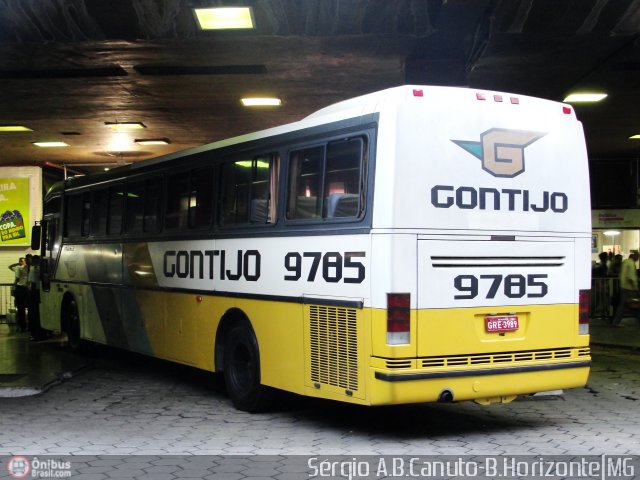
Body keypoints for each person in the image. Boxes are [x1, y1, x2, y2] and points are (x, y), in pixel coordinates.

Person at [610, 250, 640, 325]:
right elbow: (631, 277)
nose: (638, 258)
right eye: (637, 256)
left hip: (623, 287)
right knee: (634, 305)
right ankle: (616, 322)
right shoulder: (631, 263)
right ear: (635, 256)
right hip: (630, 288)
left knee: (624, 306)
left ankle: (616, 322)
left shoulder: (625, 262)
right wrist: (636, 288)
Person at [8, 257, 28, 332]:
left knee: (21, 308)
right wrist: (18, 263)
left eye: (22, 261)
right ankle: (21, 325)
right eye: (20, 261)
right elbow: (10, 266)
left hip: (22, 288)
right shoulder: (18, 267)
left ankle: (22, 325)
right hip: (20, 288)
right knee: (20, 308)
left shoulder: (26, 268)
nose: (21, 262)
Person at [27, 255, 44, 341]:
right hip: (42, 292)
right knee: (40, 314)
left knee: (34, 314)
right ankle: (42, 333)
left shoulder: (33, 269)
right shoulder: (42, 269)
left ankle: (35, 334)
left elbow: (32, 283)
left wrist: (31, 294)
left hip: (34, 293)